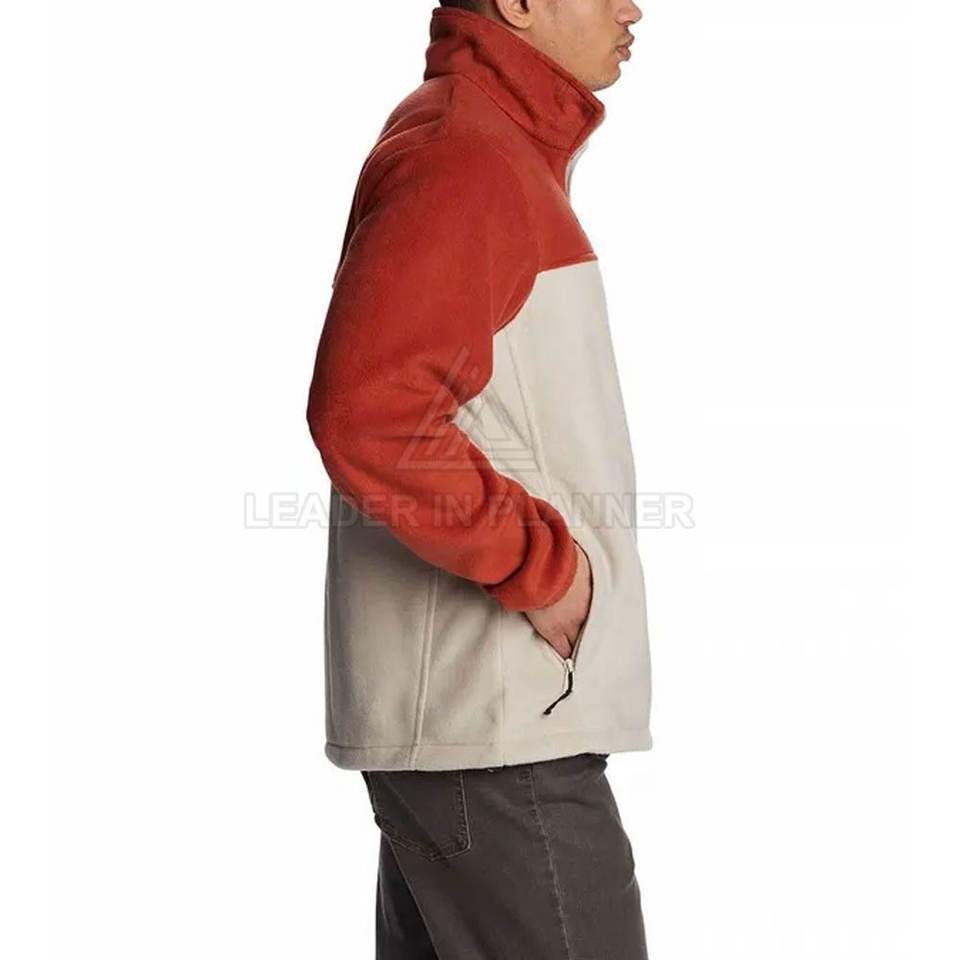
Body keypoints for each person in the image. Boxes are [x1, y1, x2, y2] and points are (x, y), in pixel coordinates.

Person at [307, 1, 652, 956]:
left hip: (488, 722)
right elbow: (369, 412)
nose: (633, 7)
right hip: (498, 727)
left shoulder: (489, 147)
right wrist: (545, 571)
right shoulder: (466, 156)